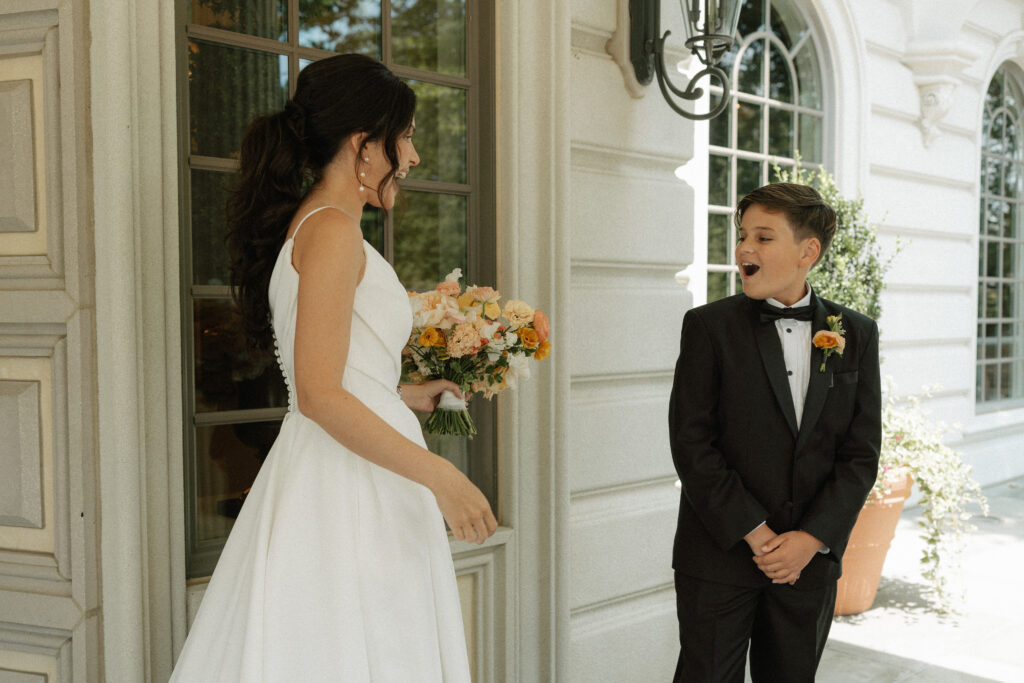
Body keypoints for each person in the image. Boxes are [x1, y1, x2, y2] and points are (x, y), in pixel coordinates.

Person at [169, 53, 496, 682]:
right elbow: (318, 394)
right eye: (405, 138)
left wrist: (404, 391)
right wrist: (442, 478)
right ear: (363, 146)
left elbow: (338, 374)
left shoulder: (322, 228)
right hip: (347, 485)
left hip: (352, 471)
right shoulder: (332, 232)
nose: (413, 157)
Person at [668, 182, 881, 682]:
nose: (744, 249)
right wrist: (760, 537)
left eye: (763, 238)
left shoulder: (856, 334)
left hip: (808, 564)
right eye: (743, 236)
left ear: (809, 251)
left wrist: (810, 539)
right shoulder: (707, 327)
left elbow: (860, 454)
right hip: (719, 555)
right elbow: (692, 445)